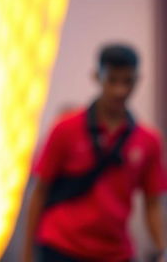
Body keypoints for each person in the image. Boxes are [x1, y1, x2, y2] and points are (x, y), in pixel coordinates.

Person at [23, 43, 167, 262]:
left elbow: (152, 204)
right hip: (61, 245)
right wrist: (27, 253)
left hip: (115, 252)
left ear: (137, 80)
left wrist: (162, 249)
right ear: (96, 77)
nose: (120, 90)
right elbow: (40, 192)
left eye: (127, 81)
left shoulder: (149, 141)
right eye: (112, 80)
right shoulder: (65, 128)